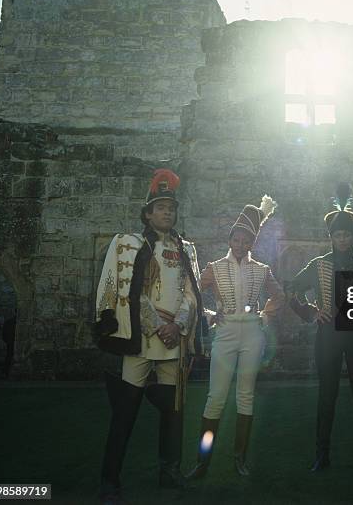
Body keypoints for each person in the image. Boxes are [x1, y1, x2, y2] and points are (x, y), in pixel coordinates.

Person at [93, 169, 203, 504]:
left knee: (174, 413)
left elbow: (191, 294)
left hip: (174, 341)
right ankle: (110, 480)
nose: (167, 212)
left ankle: (169, 472)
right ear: (148, 213)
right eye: (160, 207)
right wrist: (158, 325)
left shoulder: (187, 250)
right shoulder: (128, 244)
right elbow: (130, 292)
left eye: (171, 207)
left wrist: (178, 326)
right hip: (140, 339)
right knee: (125, 412)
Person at [285, 184, 353, 473]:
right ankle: (322, 456)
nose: (342, 238)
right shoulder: (318, 264)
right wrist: (311, 312)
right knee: (326, 395)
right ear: (331, 236)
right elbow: (292, 290)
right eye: (337, 234)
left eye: (346, 234)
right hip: (328, 337)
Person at [187, 195, 284, 479]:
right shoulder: (214, 268)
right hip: (226, 334)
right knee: (215, 397)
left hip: (253, 334)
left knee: (245, 396)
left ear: (252, 243)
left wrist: (265, 316)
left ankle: (240, 458)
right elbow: (191, 294)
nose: (241, 245)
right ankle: (202, 461)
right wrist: (207, 314)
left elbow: (279, 296)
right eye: (237, 239)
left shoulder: (261, 269)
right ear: (231, 240)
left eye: (247, 241)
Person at [2, 310, 16, 378]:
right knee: (9, 356)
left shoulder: (8, 321)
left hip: (10, 342)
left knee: (9, 356)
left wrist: (6, 340)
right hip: (11, 341)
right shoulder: (13, 322)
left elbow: (4, 333)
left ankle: (5, 372)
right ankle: (6, 371)